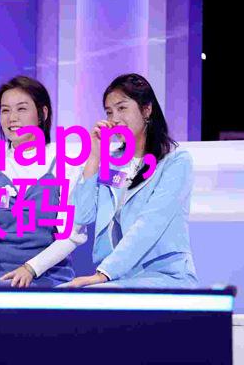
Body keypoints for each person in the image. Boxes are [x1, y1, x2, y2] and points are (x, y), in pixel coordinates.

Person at [65, 73, 198, 288]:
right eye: (109, 112)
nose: (114, 119)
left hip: (164, 274)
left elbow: (150, 224)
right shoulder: (111, 161)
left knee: (86, 297)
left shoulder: (176, 161)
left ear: (146, 109)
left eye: (122, 108)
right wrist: (95, 156)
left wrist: (104, 274)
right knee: (61, 296)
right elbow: (82, 215)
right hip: (119, 276)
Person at [0, 76, 86, 288]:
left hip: (48, 276)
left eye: (21, 109)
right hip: (0, 275)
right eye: (5, 110)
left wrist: (30, 269)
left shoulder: (65, 164)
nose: (12, 118)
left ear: (42, 114)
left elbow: (70, 235)